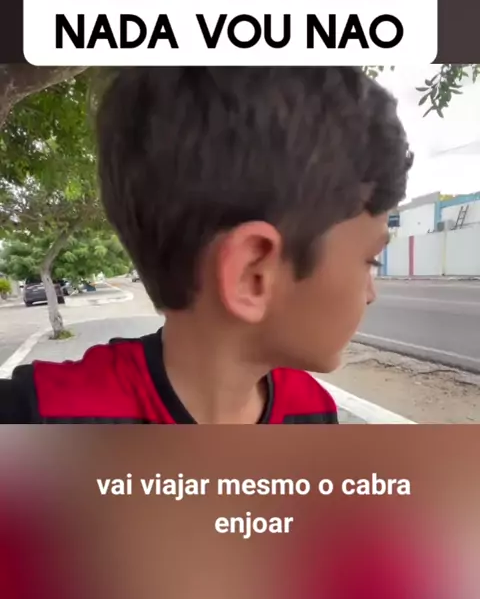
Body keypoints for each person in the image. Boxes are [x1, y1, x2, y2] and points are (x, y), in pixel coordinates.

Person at [0, 67, 412, 424]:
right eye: (370, 261)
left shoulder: (314, 411)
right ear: (253, 274)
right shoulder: (35, 416)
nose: (371, 293)